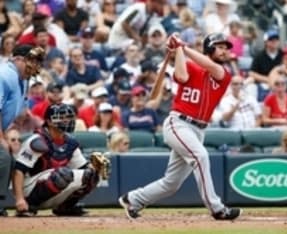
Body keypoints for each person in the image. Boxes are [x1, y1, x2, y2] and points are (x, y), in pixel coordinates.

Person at [119, 33, 241, 220]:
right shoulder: (190, 66)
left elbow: (209, 66)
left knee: (172, 183)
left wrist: (182, 47)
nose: (225, 51)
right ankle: (217, 208)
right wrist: (179, 50)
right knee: (201, 156)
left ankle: (132, 199)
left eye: (226, 48)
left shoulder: (223, 74)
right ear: (209, 48)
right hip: (179, 124)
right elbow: (182, 76)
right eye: (220, 47)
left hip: (198, 130)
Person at [12, 104, 103, 217]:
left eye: (69, 117)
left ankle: (65, 207)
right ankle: (30, 206)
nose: (67, 121)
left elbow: (83, 169)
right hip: (28, 188)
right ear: (49, 121)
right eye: (62, 117)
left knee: (92, 175)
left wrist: (97, 169)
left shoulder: (70, 143)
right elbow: (18, 171)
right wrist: (20, 199)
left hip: (53, 184)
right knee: (62, 174)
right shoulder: (37, 141)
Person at [0, 44, 45, 216]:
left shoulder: (24, 79)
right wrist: (2, 138)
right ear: (17, 59)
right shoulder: (5, 74)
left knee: (9, 158)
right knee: (3, 157)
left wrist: (9, 134)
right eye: (30, 60)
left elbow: (14, 112)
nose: (34, 65)